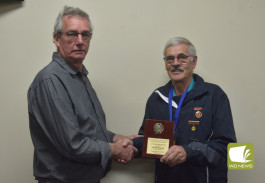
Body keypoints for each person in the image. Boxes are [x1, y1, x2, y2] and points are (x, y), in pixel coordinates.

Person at [28, 6, 139, 183]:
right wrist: (116, 149)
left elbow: (87, 128)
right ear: (57, 39)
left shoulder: (78, 75)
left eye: (85, 35)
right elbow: (74, 145)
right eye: (72, 34)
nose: (80, 41)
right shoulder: (51, 81)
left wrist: (120, 138)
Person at [133, 37, 236, 183]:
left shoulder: (214, 95)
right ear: (165, 64)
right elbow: (149, 142)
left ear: (194, 62)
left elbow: (228, 148)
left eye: (182, 58)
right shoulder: (156, 98)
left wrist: (187, 152)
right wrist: (129, 146)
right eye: (170, 59)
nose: (175, 63)